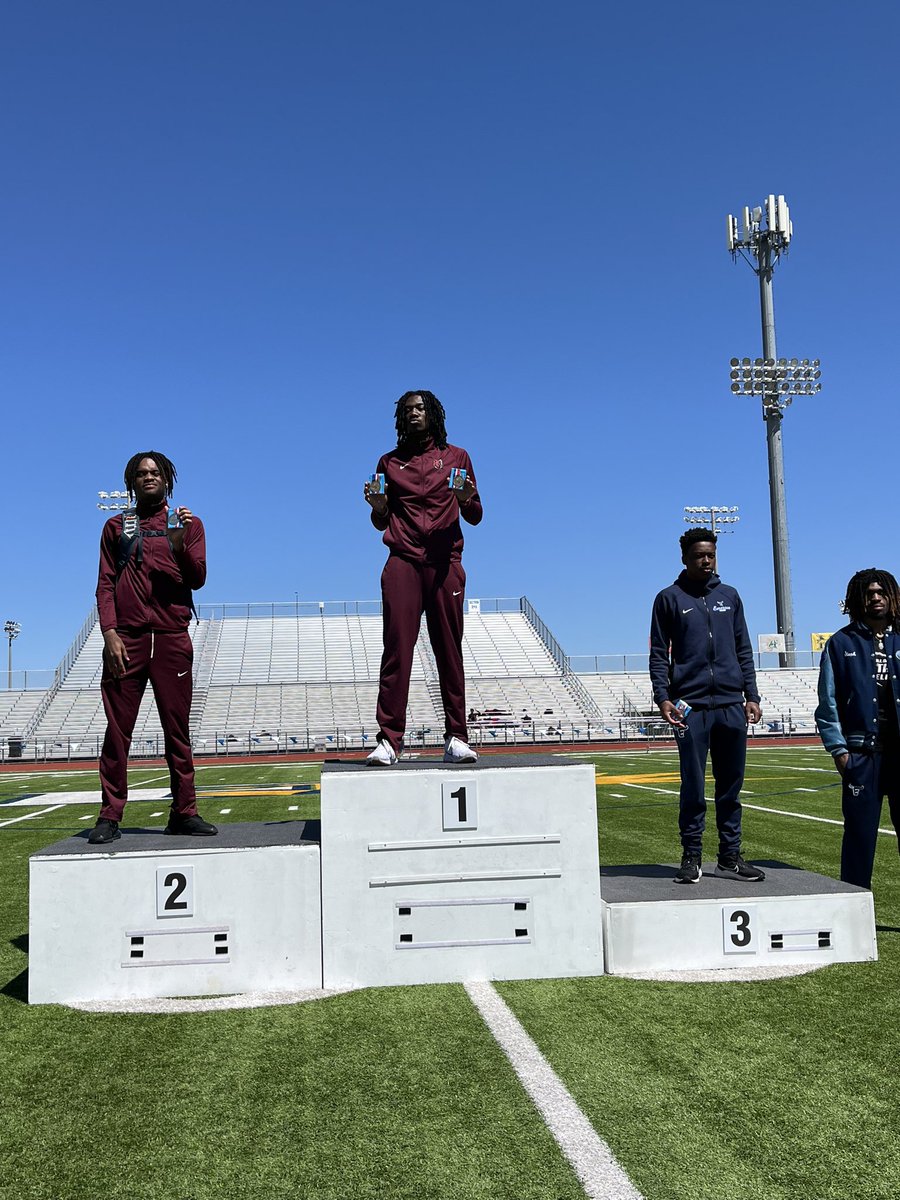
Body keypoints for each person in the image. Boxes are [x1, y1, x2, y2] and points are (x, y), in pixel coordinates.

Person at [88, 452, 217, 844]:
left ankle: (184, 812)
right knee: (118, 732)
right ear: (131, 481)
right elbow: (105, 583)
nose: (148, 477)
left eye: (155, 472)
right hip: (126, 640)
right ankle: (110, 815)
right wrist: (109, 632)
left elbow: (198, 579)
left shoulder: (187, 524)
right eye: (141, 473)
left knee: (177, 732)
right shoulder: (116, 526)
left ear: (167, 479)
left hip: (172, 638)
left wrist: (178, 544)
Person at [364, 390, 482, 765]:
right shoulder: (389, 462)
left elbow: (476, 514)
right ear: (400, 418)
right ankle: (389, 740)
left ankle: (456, 737)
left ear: (432, 413)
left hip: (445, 563)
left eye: (420, 408)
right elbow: (380, 520)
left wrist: (465, 497)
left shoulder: (457, 457)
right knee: (397, 649)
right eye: (407, 410)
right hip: (403, 562)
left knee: (449, 649)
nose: (414, 414)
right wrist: (380, 507)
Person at [649, 528, 765, 884]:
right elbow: (657, 653)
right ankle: (691, 855)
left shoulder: (730, 596)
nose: (706, 560)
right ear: (685, 558)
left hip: (731, 703)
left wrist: (752, 695)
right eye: (699, 555)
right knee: (693, 786)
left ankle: (729, 857)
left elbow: (743, 649)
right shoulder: (668, 598)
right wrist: (663, 697)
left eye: (711, 555)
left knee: (731, 786)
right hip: (691, 707)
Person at [815, 569, 900, 889]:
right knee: (859, 839)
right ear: (856, 600)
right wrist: (839, 751)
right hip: (863, 755)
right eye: (868, 593)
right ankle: (854, 911)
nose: (875, 598)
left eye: (881, 592)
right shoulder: (841, 643)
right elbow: (828, 701)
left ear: (892, 596)